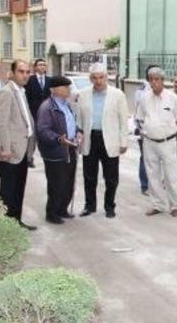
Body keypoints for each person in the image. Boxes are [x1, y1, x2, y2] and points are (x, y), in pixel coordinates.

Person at [77, 63, 129, 218]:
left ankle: (109, 206)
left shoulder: (117, 94)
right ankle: (90, 205)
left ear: (106, 77)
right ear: (90, 78)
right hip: (90, 139)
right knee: (89, 176)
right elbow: (79, 118)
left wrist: (123, 141)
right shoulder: (83, 94)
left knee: (111, 178)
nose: (98, 81)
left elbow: (123, 120)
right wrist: (79, 134)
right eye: (94, 77)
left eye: (101, 77)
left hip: (110, 140)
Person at [0, 60, 37, 231]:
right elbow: (1, 124)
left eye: (27, 72)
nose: (25, 75)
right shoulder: (6, 93)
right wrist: (5, 149)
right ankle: (5, 229)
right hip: (9, 152)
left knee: (19, 190)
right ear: (12, 73)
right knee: (8, 193)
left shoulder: (21, 92)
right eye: (21, 71)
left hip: (22, 150)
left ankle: (16, 223)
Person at [136, 66, 177, 217]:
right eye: (151, 80)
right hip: (149, 142)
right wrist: (149, 131)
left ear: (163, 81)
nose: (153, 82)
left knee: (171, 175)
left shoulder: (173, 98)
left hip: (167, 142)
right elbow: (140, 118)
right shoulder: (144, 98)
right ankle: (158, 205)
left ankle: (175, 205)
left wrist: (165, 131)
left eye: (157, 79)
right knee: (152, 175)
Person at [36, 76, 82, 224]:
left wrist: (78, 132)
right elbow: (43, 131)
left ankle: (63, 209)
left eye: (69, 87)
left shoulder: (66, 104)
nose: (69, 89)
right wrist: (58, 139)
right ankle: (52, 213)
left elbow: (71, 123)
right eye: (65, 87)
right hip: (55, 152)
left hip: (70, 148)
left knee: (69, 182)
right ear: (54, 90)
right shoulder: (47, 107)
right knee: (57, 184)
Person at [25, 59, 52, 168]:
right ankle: (29, 158)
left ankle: (48, 158)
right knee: (32, 137)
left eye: (44, 65)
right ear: (35, 67)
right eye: (40, 65)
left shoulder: (50, 80)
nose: (42, 66)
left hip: (46, 114)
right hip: (33, 112)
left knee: (46, 136)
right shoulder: (30, 80)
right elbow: (26, 96)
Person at [134, 74, 151, 195]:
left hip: (157, 131)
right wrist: (141, 129)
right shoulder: (141, 92)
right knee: (145, 157)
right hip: (143, 129)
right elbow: (138, 112)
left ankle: (153, 184)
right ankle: (145, 185)